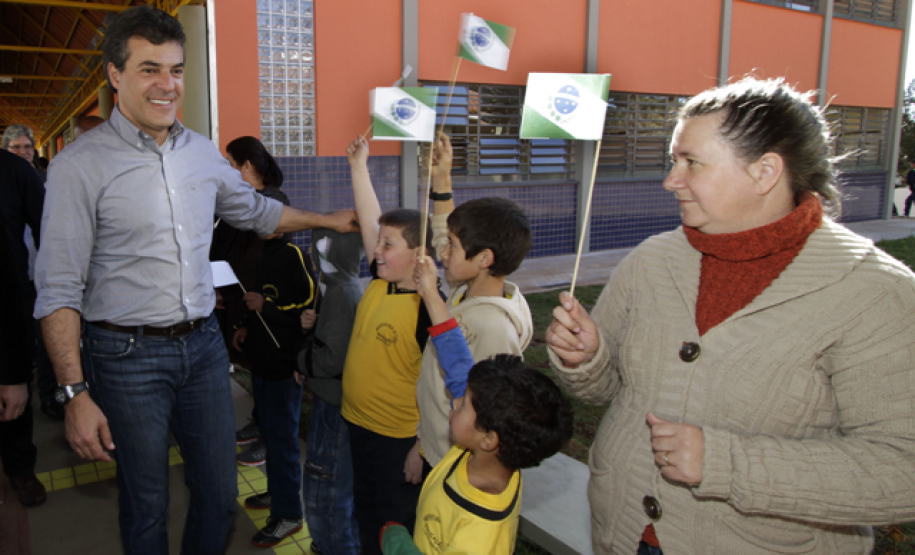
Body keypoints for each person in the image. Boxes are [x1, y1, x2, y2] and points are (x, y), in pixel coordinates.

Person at [33, 6, 355, 555]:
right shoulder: (79, 166)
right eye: (149, 69)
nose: (168, 85)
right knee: (147, 503)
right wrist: (74, 394)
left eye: (176, 70)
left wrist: (327, 219)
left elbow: (256, 211)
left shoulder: (202, 152)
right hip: (125, 355)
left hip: (203, 347)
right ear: (115, 75)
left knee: (220, 496)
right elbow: (58, 288)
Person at [546, 77, 915, 555]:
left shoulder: (875, 292)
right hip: (621, 534)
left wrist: (728, 464)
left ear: (765, 172)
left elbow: (902, 469)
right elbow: (607, 391)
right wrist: (588, 359)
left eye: (691, 162)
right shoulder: (652, 260)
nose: (670, 180)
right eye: (673, 161)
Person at [381, 260, 573, 554]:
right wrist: (430, 293)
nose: (455, 400)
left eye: (464, 405)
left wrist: (397, 544)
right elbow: (457, 361)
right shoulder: (485, 452)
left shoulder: (480, 531)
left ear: (489, 438)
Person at [341, 135, 441, 555]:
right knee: (365, 517)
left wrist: (421, 448)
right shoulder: (382, 282)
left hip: (397, 443)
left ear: (419, 255)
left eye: (388, 245)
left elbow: (444, 389)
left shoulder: (428, 309)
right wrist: (358, 165)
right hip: (357, 427)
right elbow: (370, 219)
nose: (377, 250)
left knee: (394, 528)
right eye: (378, 242)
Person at [416, 133, 534, 470]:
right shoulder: (469, 286)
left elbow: (489, 412)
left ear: (484, 258)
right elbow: (445, 233)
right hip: (435, 447)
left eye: (452, 246)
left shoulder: (494, 328)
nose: (442, 252)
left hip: (458, 464)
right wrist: (442, 179)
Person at [231, 188, 317, 547]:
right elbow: (256, 298)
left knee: (282, 442)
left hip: (284, 367)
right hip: (263, 363)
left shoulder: (294, 255)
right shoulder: (262, 254)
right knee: (269, 434)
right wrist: (245, 324)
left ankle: (289, 514)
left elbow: (308, 308)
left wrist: (264, 307)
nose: (258, 223)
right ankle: (278, 493)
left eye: (265, 214)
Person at [215, 136, 286, 465]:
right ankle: (260, 423)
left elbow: (254, 261)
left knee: (269, 374)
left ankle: (271, 440)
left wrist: (233, 295)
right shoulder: (242, 200)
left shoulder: (269, 202)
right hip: (240, 300)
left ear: (245, 166)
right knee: (256, 369)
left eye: (229, 163)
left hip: (260, 304)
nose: (225, 170)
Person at [296, 227, 365, 555]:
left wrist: (301, 360)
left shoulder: (339, 293)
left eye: (316, 247)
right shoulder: (342, 287)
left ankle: (332, 545)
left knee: (325, 487)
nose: (311, 253)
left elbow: (333, 359)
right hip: (338, 402)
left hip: (333, 406)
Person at [0, 149, 47, 508]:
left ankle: (20, 468)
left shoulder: (15, 171)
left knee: (12, 396)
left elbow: (51, 237)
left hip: (7, 305)